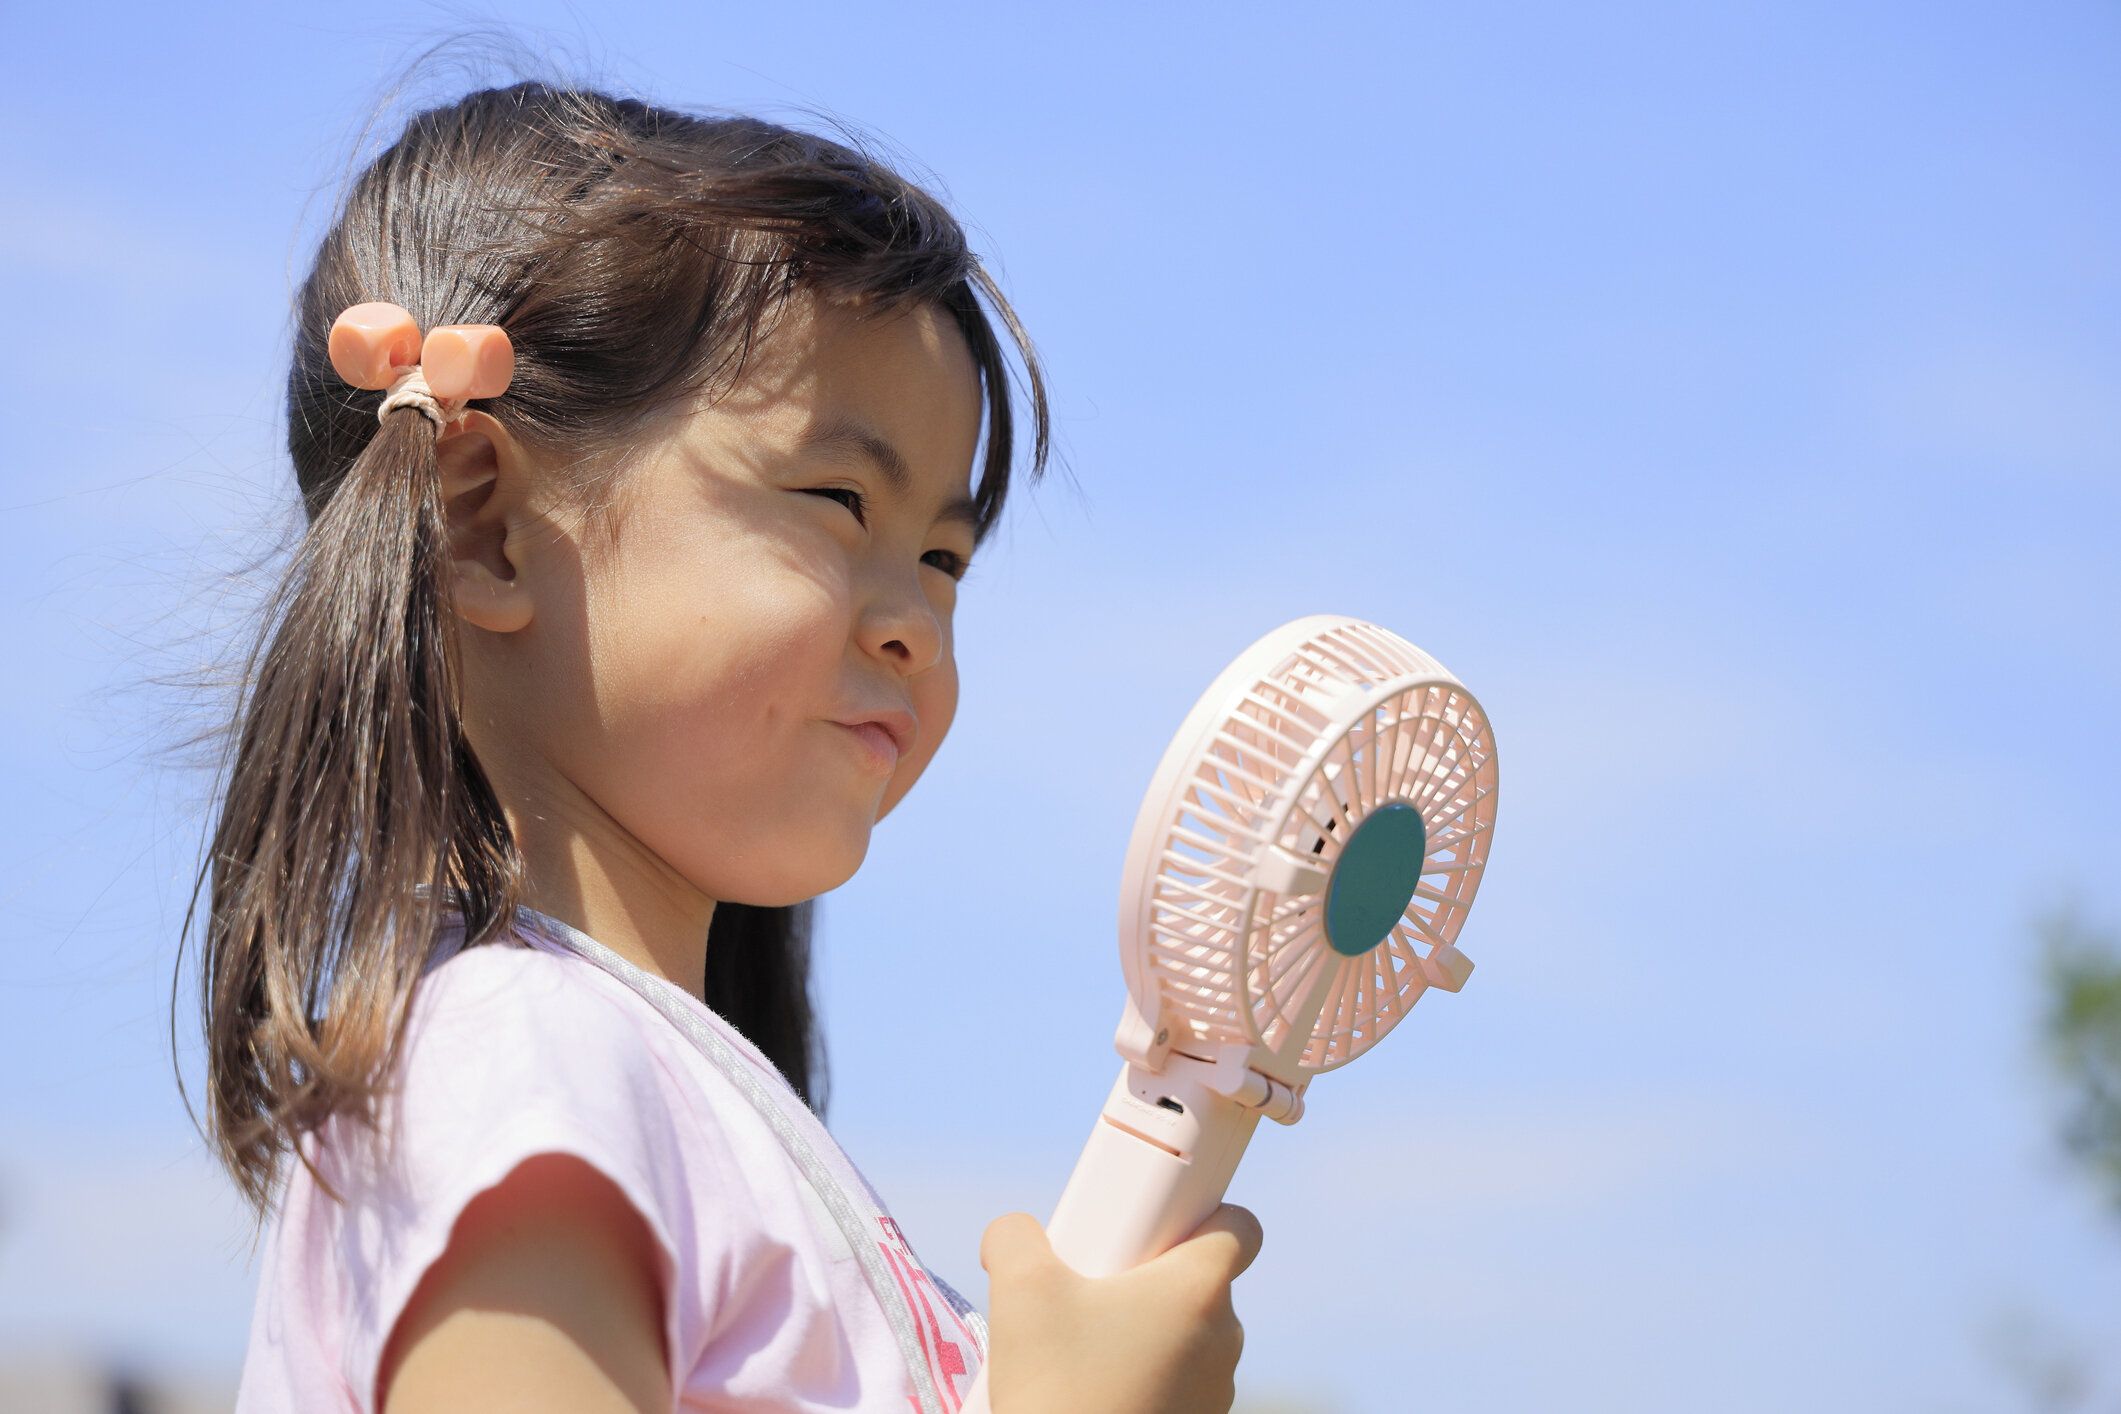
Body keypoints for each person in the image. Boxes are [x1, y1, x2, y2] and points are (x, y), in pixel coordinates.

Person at [192, 79, 1263, 1413]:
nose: (917, 624)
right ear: (484, 525)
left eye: (941, 557)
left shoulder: (625, 1077)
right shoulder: (522, 1061)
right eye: (836, 500)